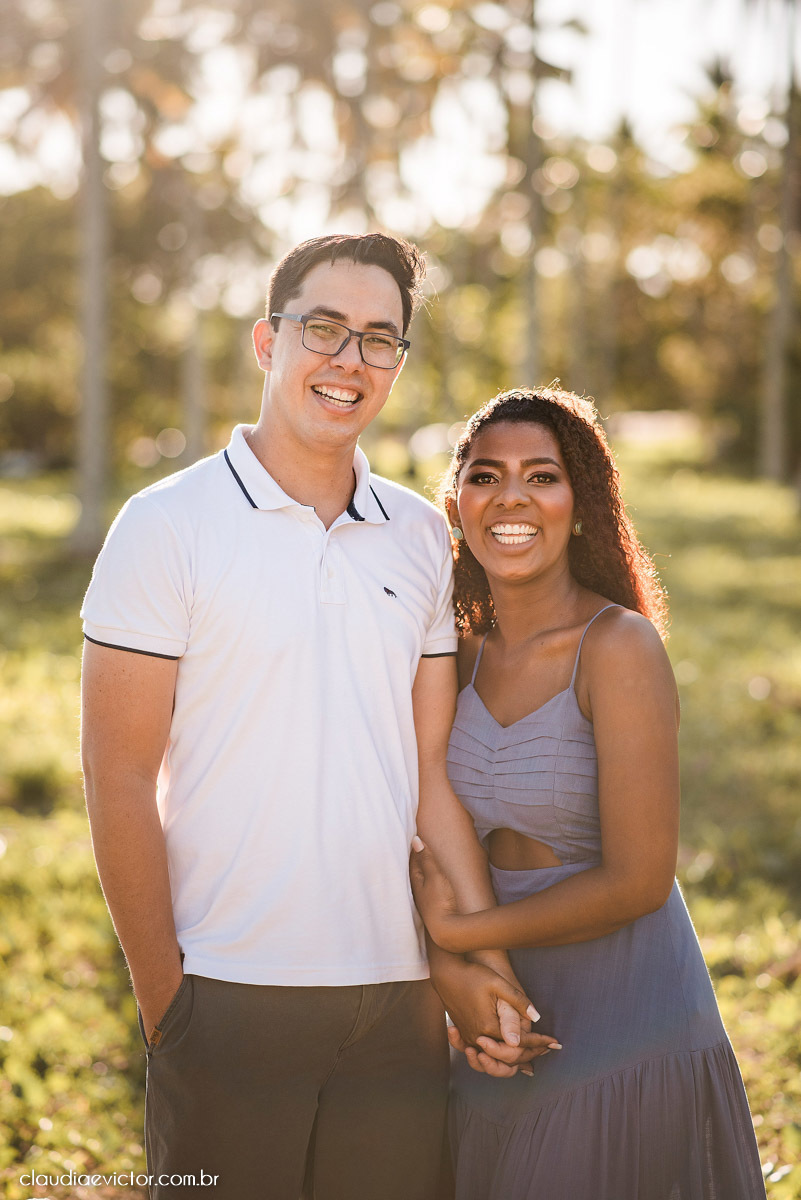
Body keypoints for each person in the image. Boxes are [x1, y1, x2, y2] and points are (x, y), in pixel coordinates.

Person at [80, 234, 555, 1200]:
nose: (349, 360)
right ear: (267, 342)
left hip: (398, 1000)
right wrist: (167, 1004)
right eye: (323, 329)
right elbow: (118, 776)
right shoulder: (165, 525)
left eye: (378, 338)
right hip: (226, 991)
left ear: (398, 365)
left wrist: (483, 970)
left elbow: (429, 777)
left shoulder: (423, 536)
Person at [410, 386, 766, 1199]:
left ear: (580, 507)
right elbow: (417, 822)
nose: (510, 498)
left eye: (542, 477)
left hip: (624, 1020)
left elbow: (639, 880)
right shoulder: (452, 653)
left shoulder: (618, 647)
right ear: (456, 500)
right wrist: (454, 967)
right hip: (498, 1009)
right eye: (485, 474)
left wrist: (462, 929)